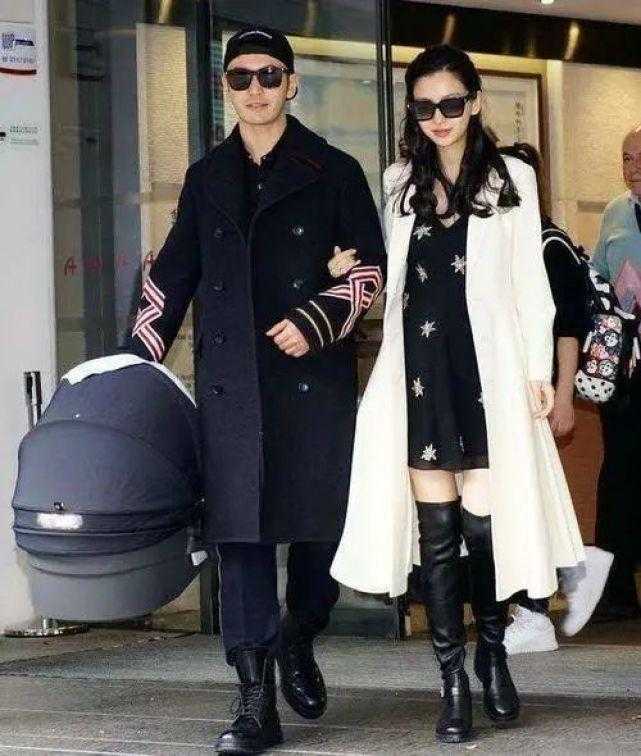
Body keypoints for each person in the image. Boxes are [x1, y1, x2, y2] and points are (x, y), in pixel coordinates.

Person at [127, 26, 385, 755]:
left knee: (318, 531)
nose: (256, 89)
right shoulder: (206, 177)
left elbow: (370, 267)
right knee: (240, 538)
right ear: (225, 89)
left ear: (292, 84)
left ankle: (301, 631)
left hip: (311, 383)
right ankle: (253, 698)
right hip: (232, 387)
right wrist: (131, 370)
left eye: (270, 75)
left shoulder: (334, 170)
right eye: (240, 77)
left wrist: (317, 319)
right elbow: (170, 278)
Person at [330, 44, 584, 744]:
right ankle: (451, 680)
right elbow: (392, 282)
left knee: (482, 530)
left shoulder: (511, 178)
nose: (438, 118)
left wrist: (538, 372)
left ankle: (491, 649)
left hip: (487, 376)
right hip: (418, 377)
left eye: (450, 103)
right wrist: (351, 271)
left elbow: (532, 286)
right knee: (436, 539)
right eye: (424, 107)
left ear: (473, 102)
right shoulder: (398, 182)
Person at [497, 143, 614, 655]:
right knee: (524, 497)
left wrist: (563, 397)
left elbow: (569, 327)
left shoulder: (548, 245)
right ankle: (560, 581)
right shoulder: (513, 240)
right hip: (516, 393)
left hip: (537, 394)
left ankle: (540, 603)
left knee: (531, 497)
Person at [590, 124, 641, 621]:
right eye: (627, 158)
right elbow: (598, 277)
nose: (633, 167)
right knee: (620, 473)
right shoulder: (615, 212)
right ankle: (616, 590)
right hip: (625, 366)